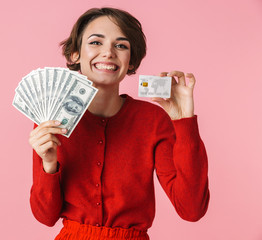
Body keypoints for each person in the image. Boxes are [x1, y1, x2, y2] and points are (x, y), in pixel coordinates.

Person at [28, 7, 209, 240]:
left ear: (131, 62)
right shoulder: (51, 116)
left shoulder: (153, 120)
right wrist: (48, 163)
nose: (108, 53)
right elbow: (45, 216)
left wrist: (184, 120)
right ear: (75, 54)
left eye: (121, 45)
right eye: (95, 42)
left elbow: (192, 209)